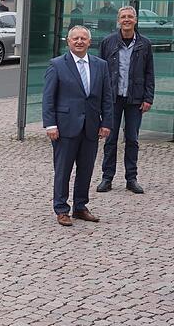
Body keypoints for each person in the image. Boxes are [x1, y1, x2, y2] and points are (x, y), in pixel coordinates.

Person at [42, 25, 113, 227]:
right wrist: (50, 125)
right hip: (65, 127)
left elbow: (107, 97)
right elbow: (48, 98)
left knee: (86, 170)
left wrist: (106, 122)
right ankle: (62, 209)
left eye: (83, 38)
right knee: (63, 170)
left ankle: (80, 207)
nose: (79, 41)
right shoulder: (57, 65)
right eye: (76, 39)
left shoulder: (101, 65)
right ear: (68, 41)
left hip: (91, 126)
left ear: (89, 42)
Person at [97, 6, 155, 195]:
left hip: (135, 99)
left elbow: (149, 73)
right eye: (123, 17)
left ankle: (131, 178)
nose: (127, 20)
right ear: (118, 20)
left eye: (130, 16)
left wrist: (148, 97)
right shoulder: (108, 42)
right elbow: (101, 73)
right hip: (113, 99)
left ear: (136, 20)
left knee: (132, 139)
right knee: (110, 139)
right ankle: (107, 177)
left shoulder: (145, 44)